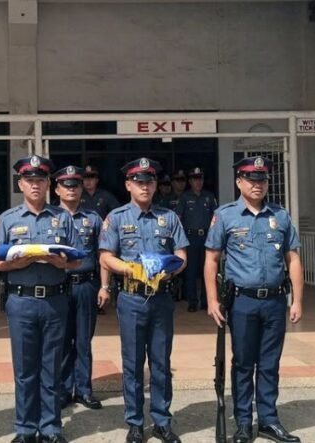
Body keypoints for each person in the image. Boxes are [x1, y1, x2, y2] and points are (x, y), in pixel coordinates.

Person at [204, 156, 304, 443]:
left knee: (270, 363)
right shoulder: (226, 215)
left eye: (261, 179)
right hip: (242, 302)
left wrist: (297, 300)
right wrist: (212, 300)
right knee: (244, 363)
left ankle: (269, 420)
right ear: (239, 182)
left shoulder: (281, 216)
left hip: (275, 301)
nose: (257, 185)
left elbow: (293, 258)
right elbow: (211, 260)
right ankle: (244, 422)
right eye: (251, 179)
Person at [0, 155, 82, 443]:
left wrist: (61, 263)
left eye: (40, 180)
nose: (35, 185)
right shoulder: (7, 219)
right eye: (29, 180)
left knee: (51, 368)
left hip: (55, 301)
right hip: (21, 302)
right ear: (20, 184)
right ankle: (26, 429)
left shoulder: (62, 218)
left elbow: (78, 260)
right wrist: (11, 265)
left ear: (48, 183)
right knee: (25, 369)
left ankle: (52, 428)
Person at [99, 158, 188, 443]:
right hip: (132, 298)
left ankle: (162, 421)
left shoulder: (169, 217)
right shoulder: (116, 218)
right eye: (139, 182)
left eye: (149, 182)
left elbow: (183, 257)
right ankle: (135, 422)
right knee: (133, 363)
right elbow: (105, 256)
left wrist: (169, 267)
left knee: (161, 362)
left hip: (161, 298)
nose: (145, 187)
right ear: (128, 185)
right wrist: (130, 268)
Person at [53, 165, 110, 411]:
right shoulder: (49, 218)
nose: (72, 189)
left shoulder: (93, 218)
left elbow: (104, 254)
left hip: (86, 284)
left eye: (75, 185)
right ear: (57, 189)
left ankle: (84, 390)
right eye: (66, 185)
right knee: (63, 340)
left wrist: (105, 286)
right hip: (59, 286)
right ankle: (64, 390)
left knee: (84, 340)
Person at [174, 167, 219, 312]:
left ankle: (206, 301)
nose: (198, 182)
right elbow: (178, 219)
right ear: (190, 181)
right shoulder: (185, 197)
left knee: (207, 269)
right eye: (194, 179)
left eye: (200, 178)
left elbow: (216, 218)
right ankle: (192, 301)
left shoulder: (209, 196)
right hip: (190, 237)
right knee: (191, 272)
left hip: (207, 237)